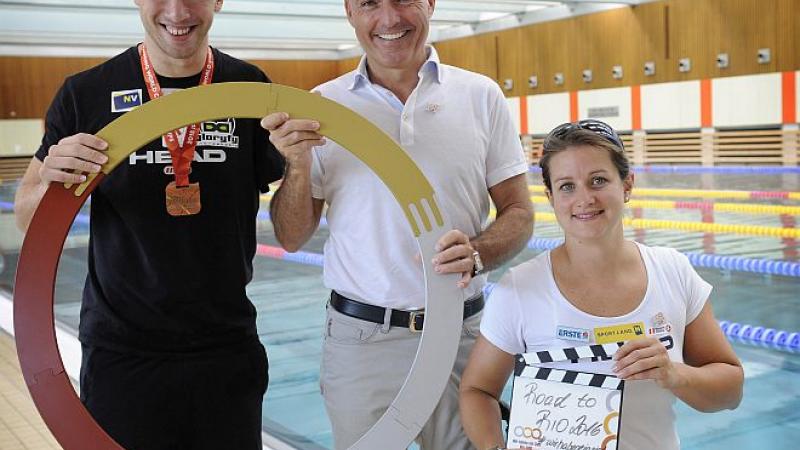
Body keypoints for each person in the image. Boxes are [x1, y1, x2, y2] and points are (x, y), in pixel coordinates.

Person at [260, 1, 534, 448]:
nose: (389, 19)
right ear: (350, 11)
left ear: (429, 4)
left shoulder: (480, 96)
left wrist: (479, 251)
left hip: (461, 334)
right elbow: (292, 237)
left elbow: (520, 213)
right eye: (369, 3)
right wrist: (295, 164)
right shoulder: (324, 105)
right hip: (362, 340)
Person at [13, 0, 284, 448]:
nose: (177, 10)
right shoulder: (87, 92)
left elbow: (289, 219)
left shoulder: (249, 87)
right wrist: (50, 180)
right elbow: (26, 217)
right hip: (122, 353)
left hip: (226, 350)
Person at [459, 119, 744, 450]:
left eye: (598, 180)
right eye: (567, 186)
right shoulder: (520, 289)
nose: (584, 199)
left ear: (627, 185)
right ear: (551, 197)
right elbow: (477, 391)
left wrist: (674, 374)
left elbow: (731, 391)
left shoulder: (673, 272)